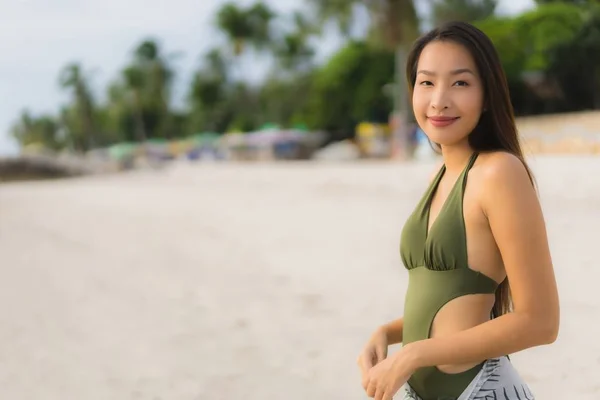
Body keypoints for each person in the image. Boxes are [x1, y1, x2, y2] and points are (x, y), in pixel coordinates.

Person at [356, 21, 559, 400]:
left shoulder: (499, 172)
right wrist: (388, 333)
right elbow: (448, 308)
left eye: (460, 83)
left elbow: (541, 321)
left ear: (487, 95)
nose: (439, 100)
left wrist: (415, 354)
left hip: (479, 390)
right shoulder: (442, 173)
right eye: (427, 82)